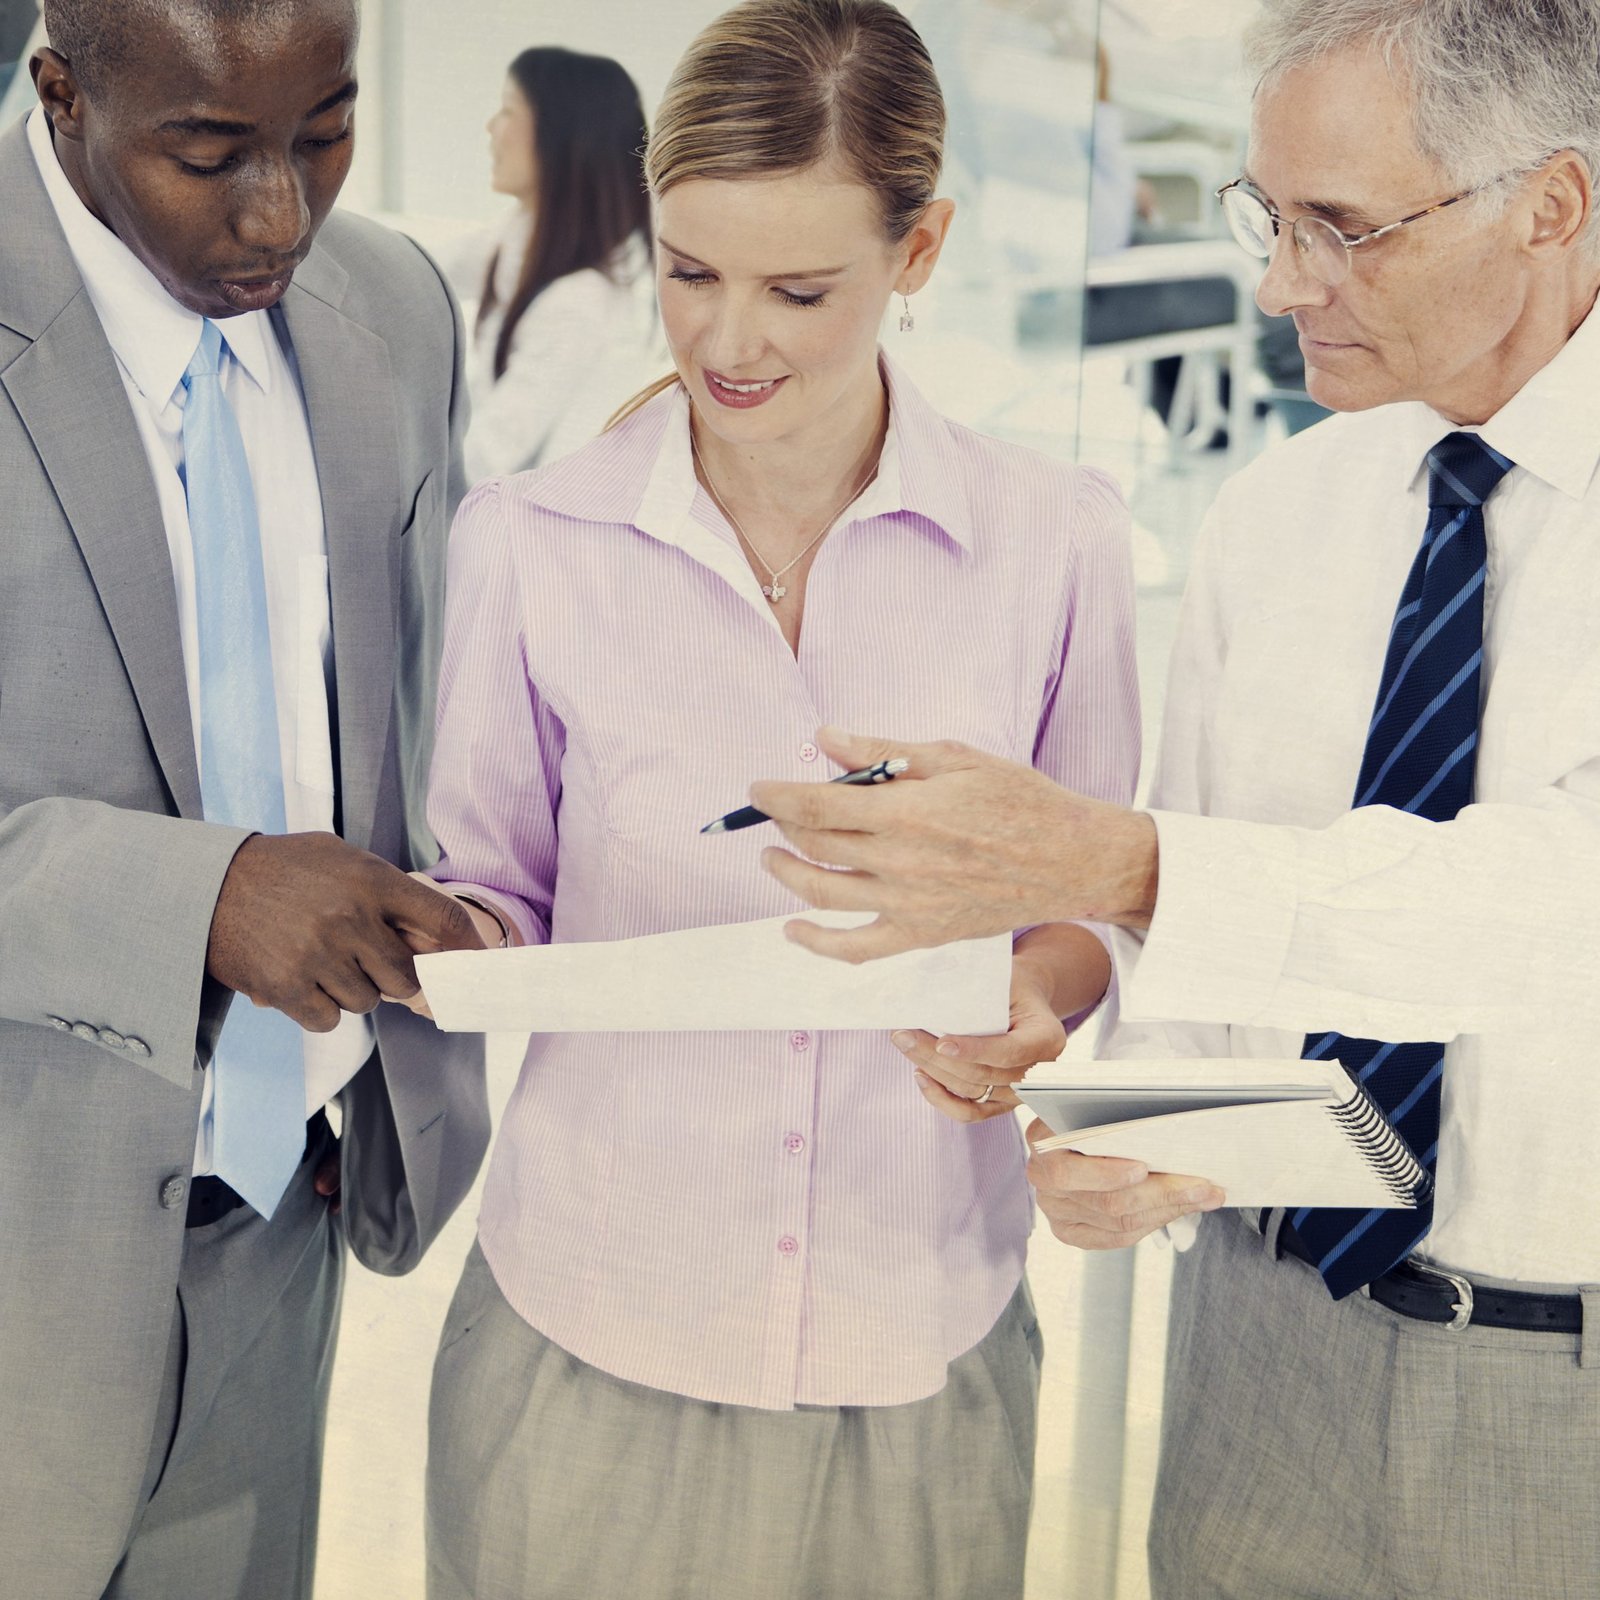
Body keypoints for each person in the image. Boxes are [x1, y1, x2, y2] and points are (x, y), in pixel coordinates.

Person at [750, 1, 1600, 1596]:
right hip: (1257, 1355)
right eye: (1270, 218)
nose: (1283, 282)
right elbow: (1210, 954)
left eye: (1343, 229)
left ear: (1550, 204)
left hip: (1564, 1393)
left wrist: (1113, 860)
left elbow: (1560, 914)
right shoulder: (1282, 512)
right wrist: (1122, 1116)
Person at [414, 1, 1140, 1595]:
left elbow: (1097, 899)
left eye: (800, 290)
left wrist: (1035, 1000)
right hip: (595, 1320)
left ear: (921, 249)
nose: (729, 342)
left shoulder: (1056, 539)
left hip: (920, 1337)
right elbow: (491, 895)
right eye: (691, 272)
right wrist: (427, 939)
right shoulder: (532, 544)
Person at [0, 2, 494, 1596]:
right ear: (61, 92)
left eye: (324, 134)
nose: (279, 214)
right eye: (209, 154)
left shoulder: (400, 310)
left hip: (281, 1222)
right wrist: (206, 899)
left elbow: (415, 709)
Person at [462, 46, 655, 484]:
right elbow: (419, 258)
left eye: (509, 111)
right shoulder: (516, 236)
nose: (492, 128)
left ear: (561, 135)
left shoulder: (580, 301)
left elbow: (484, 461)